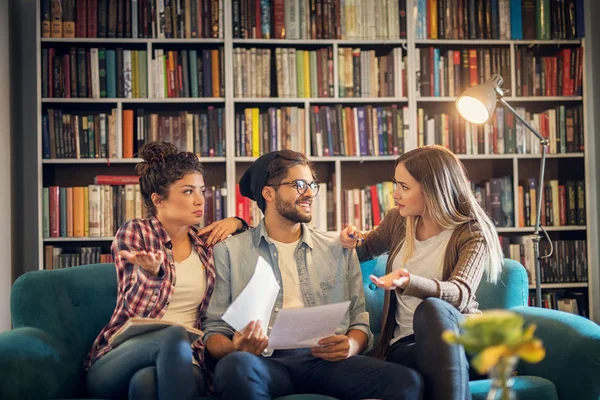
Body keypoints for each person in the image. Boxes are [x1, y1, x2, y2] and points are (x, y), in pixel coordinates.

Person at [203, 149, 423, 400]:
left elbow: (359, 322)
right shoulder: (229, 251)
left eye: (311, 185)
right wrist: (235, 348)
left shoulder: (338, 247)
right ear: (268, 193)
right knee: (233, 368)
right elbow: (214, 330)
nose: (308, 193)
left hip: (326, 364)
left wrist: (351, 344)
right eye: (298, 185)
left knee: (406, 381)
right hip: (265, 363)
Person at [85, 142, 248, 400]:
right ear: (158, 199)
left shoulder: (205, 245)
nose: (199, 200)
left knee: (146, 384)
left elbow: (249, 253)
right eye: (187, 192)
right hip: (123, 355)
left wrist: (238, 223)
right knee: (173, 334)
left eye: (201, 191)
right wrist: (150, 275)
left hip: (188, 362)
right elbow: (134, 313)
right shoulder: (135, 233)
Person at [340, 145, 504, 400]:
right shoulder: (398, 220)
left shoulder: (472, 233)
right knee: (408, 365)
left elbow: (460, 294)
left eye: (405, 187)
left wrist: (409, 281)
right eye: (396, 184)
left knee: (432, 309)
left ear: (433, 189)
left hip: (462, 340)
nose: (395, 194)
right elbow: (366, 248)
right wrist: (351, 239)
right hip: (407, 346)